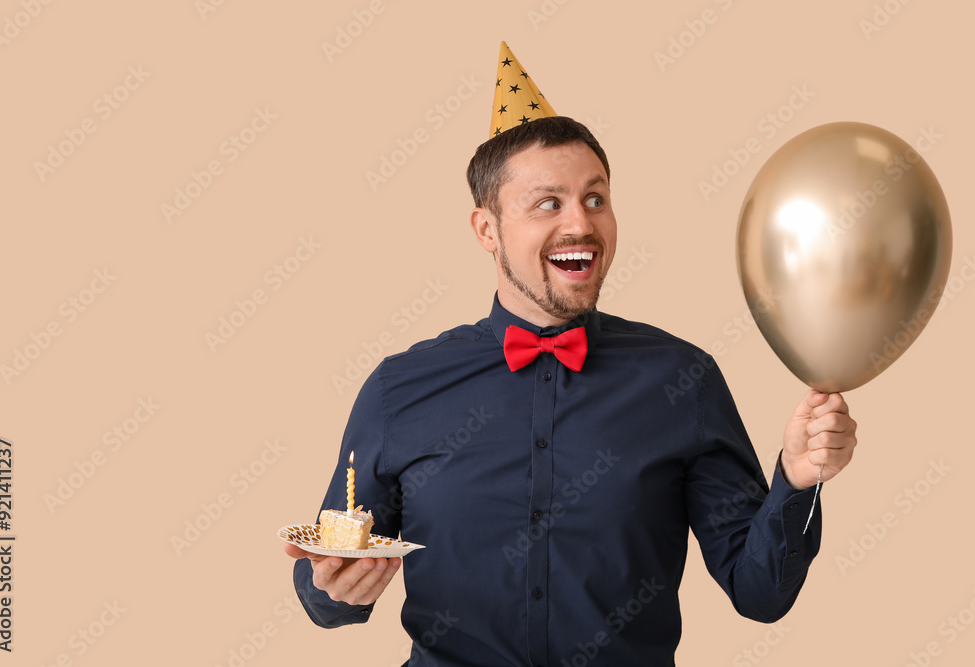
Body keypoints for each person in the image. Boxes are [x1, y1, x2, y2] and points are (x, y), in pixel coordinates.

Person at [284, 45, 857, 667]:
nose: (581, 224)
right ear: (487, 229)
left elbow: (761, 593)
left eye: (595, 198)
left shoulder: (682, 379)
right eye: (548, 203)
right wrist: (330, 589)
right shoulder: (402, 388)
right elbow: (331, 573)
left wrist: (798, 483)